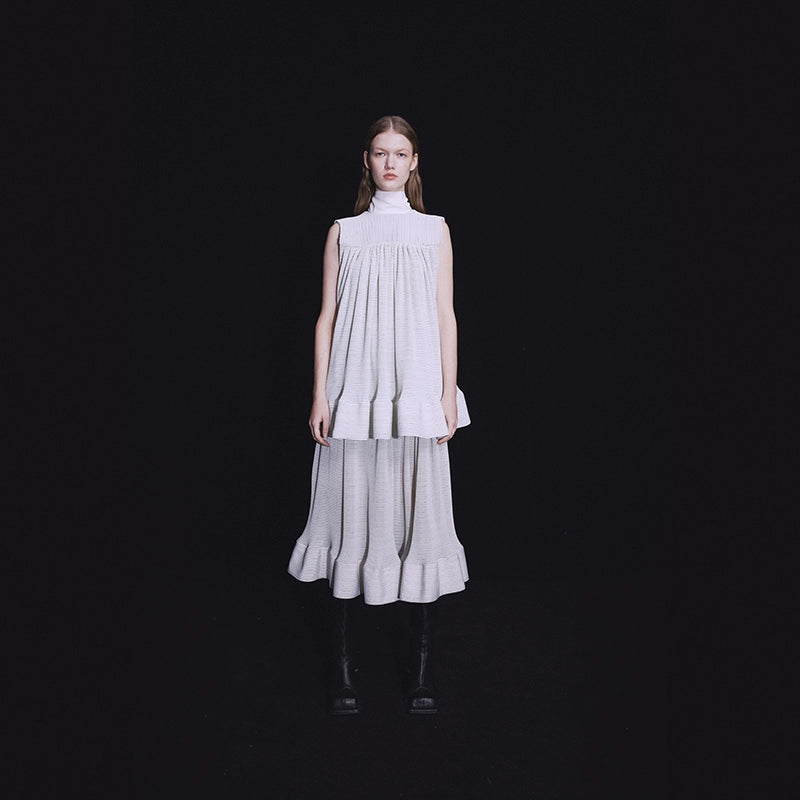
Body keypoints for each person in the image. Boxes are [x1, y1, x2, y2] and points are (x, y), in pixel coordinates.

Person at [287, 115, 471, 715]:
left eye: (400, 153)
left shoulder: (434, 230)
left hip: (414, 388)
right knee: (347, 513)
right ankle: (342, 671)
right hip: (355, 388)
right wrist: (320, 395)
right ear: (366, 161)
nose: (389, 162)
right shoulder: (344, 232)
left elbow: (445, 316)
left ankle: (421, 671)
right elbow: (327, 318)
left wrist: (448, 393)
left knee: (419, 515)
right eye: (379, 152)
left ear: (414, 162)